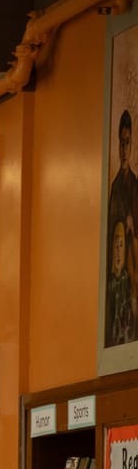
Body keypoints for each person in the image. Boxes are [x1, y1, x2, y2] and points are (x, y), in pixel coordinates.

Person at [109, 109, 138, 345]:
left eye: (128, 143)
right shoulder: (115, 187)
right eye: (121, 143)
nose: (124, 149)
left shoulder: (134, 185)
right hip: (120, 267)